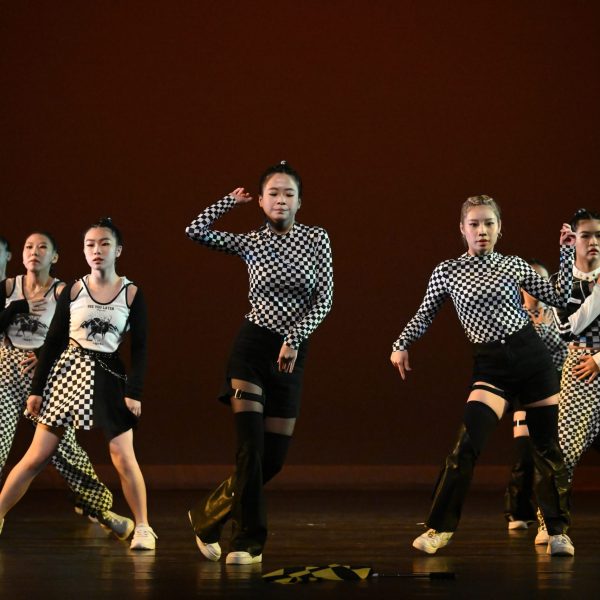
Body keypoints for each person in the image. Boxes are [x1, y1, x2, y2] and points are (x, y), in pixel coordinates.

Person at [390, 194, 576, 556]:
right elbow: (425, 314)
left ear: (499, 228)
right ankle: (439, 528)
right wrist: (401, 343)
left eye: (489, 223)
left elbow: (558, 296)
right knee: (465, 446)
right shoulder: (447, 271)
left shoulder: (514, 265)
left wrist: (566, 253)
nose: (482, 231)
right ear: (462, 229)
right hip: (491, 366)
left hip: (531, 358)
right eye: (474, 224)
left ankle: (557, 531)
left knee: (546, 449)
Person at [185, 161, 333, 565]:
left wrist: (294, 339)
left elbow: (325, 299)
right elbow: (194, 231)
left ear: (300, 202)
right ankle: (248, 541)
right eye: (273, 193)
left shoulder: (317, 238)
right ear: (262, 202)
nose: (280, 200)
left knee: (272, 460)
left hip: (291, 353)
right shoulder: (250, 242)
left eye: (288, 194)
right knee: (250, 450)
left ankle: (207, 515)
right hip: (251, 350)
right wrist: (227, 202)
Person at [0, 219, 156, 550]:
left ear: (118, 250)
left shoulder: (130, 293)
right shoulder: (73, 290)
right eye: (90, 244)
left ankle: (142, 526)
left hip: (108, 374)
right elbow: (55, 341)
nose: (96, 250)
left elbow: (141, 347)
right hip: (68, 372)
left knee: (121, 455)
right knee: (36, 456)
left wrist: (134, 393)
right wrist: (37, 390)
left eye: (104, 244)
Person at [504, 260, 568, 532]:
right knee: (526, 454)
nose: (535, 286)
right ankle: (518, 510)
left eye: (540, 280)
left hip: (560, 387)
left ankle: (552, 516)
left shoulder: (558, 312)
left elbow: (567, 346)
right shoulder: (512, 314)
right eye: (529, 281)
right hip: (527, 389)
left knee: (553, 452)